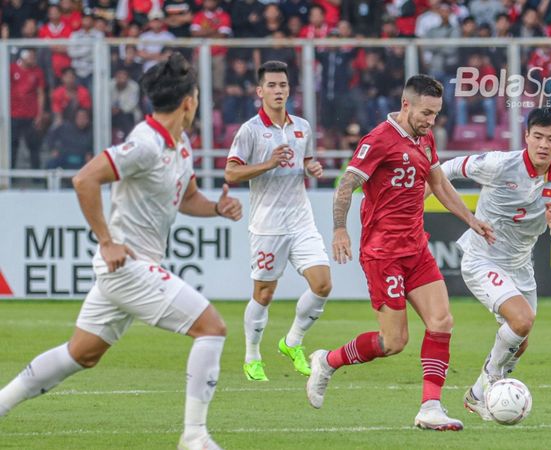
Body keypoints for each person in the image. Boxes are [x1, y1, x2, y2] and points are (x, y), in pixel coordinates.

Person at [0, 53, 242, 450]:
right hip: (128, 265)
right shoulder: (144, 144)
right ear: (189, 101)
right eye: (196, 94)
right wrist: (107, 240)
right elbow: (85, 179)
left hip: (132, 270)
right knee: (212, 328)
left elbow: (189, 198)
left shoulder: (181, 145)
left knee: (81, 354)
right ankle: (194, 437)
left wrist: (216, 208)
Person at [305, 75, 494, 430]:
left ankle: (431, 407)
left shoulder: (425, 138)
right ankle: (328, 360)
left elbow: (438, 183)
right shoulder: (378, 139)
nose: (430, 120)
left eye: (436, 114)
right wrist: (340, 228)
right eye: (425, 112)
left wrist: (471, 218)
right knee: (394, 342)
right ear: (406, 105)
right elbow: (347, 184)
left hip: (416, 248)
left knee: (442, 321)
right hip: (383, 253)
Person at [437, 107, 551, 420]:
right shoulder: (500, 164)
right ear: (526, 136)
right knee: (522, 320)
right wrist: (434, 198)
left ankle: (475, 394)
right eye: (537, 136)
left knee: (520, 341)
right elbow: (448, 168)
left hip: (520, 265)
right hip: (482, 256)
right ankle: (491, 382)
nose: (543, 144)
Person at [224, 60, 331, 381]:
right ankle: (252, 356)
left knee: (323, 284)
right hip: (267, 225)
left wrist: (312, 167)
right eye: (271, 85)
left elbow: (306, 157)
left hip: (301, 220)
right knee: (264, 294)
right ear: (260, 92)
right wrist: (268, 163)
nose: (278, 90)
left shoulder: (302, 126)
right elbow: (231, 171)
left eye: (282, 85)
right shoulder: (250, 131)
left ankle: (292, 342)